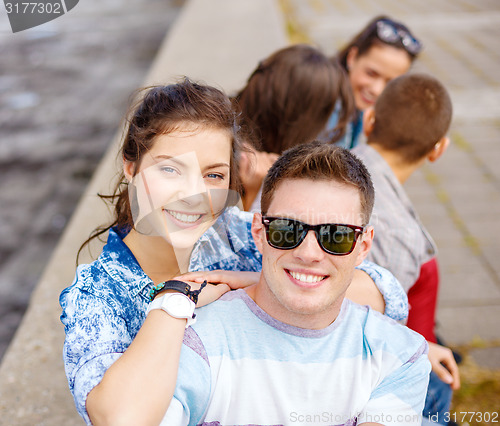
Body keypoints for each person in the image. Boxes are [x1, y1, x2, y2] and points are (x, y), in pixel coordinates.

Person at [60, 79, 406, 425]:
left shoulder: (240, 235)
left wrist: (253, 283)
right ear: (131, 167)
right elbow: (118, 419)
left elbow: (385, 293)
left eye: (213, 175)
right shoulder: (100, 294)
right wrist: (176, 300)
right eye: (170, 169)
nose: (194, 194)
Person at [161, 142, 431, 425]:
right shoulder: (195, 342)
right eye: (287, 230)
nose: (308, 254)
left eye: (335, 236)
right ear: (259, 233)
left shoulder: (401, 356)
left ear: (363, 246)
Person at [353, 73, 460, 425]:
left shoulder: (331, 162)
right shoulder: (398, 234)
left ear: (370, 120)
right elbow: (370, 333)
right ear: (438, 149)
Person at [232, 44, 354, 211]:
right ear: (296, 116)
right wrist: (256, 195)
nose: (328, 127)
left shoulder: (230, 126)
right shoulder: (234, 165)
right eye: (325, 113)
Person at [327, 15, 422, 149]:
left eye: (390, 83)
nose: (377, 90)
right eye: (371, 73)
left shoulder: (356, 103)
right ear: (352, 57)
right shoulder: (326, 107)